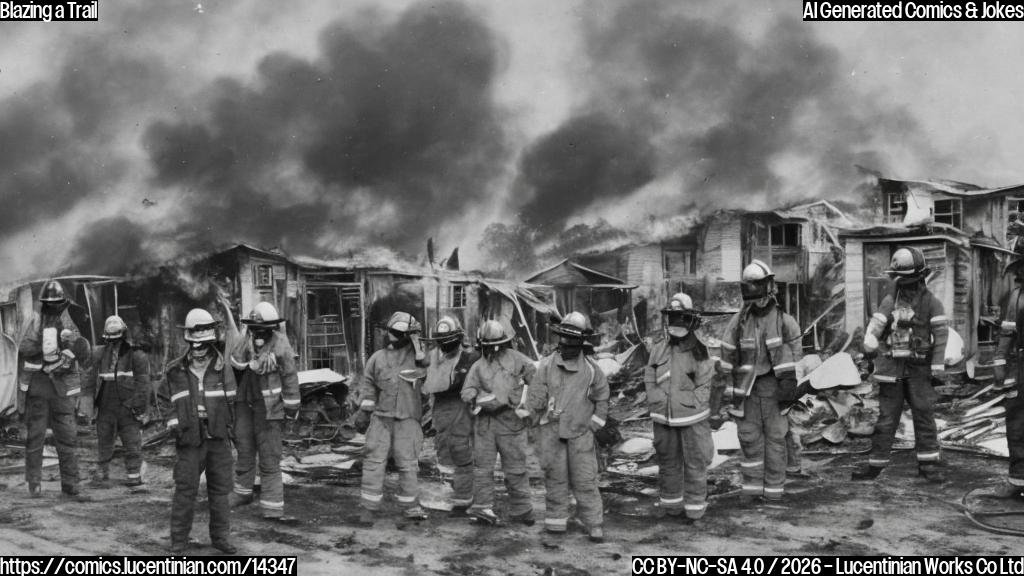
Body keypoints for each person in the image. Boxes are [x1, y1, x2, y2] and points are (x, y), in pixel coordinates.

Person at [853, 247, 948, 483]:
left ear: (920, 278)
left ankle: (928, 466)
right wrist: (870, 343)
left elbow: (941, 336)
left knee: (923, 415)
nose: (907, 286)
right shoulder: (889, 302)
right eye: (902, 281)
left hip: (919, 370)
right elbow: (875, 329)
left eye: (910, 281)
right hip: (892, 370)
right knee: (887, 418)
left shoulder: (932, 303)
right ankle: (875, 466)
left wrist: (937, 367)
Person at [719, 261, 804, 502]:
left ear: (769, 287)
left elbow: (797, 356)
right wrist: (725, 393)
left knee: (776, 439)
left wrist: (791, 386)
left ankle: (774, 491)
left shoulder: (784, 321)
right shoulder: (738, 322)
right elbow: (726, 356)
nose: (757, 301)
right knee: (749, 439)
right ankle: (752, 489)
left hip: (775, 389)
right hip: (746, 392)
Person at [528, 312, 609, 541]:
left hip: (580, 433)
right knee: (555, 478)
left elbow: (602, 397)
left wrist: (595, 424)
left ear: (581, 340)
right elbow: (535, 397)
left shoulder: (592, 369)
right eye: (564, 338)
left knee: (585, 480)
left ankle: (593, 523)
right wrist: (535, 421)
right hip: (552, 432)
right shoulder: (546, 366)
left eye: (573, 339)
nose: (567, 343)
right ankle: (556, 521)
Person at [166, 308, 237, 554]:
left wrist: (232, 431)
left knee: (220, 492)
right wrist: (174, 423)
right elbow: (164, 400)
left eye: (202, 345)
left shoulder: (223, 368)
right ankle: (178, 540)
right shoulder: (175, 370)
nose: (197, 350)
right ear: (188, 341)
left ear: (210, 343)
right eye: (194, 345)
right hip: (189, 439)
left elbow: (233, 402)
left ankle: (220, 538)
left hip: (218, 438)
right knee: (185, 490)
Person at [644, 293, 720, 522]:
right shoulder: (659, 348)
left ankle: (695, 509)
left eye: (680, 317)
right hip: (663, 418)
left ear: (690, 320)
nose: (675, 323)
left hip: (692, 420)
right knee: (668, 462)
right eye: (672, 317)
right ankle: (671, 507)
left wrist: (691, 406)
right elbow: (650, 376)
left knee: (695, 462)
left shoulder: (701, 350)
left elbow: (706, 385)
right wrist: (656, 399)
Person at [17, 280, 92, 499]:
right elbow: (23, 347)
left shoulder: (70, 320)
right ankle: (34, 483)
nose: (53, 307)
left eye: (56, 303)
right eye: (50, 303)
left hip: (62, 389)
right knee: (35, 437)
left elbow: (83, 350)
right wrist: (41, 344)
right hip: (39, 386)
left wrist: (67, 343)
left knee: (67, 438)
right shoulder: (35, 321)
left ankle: (70, 485)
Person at [227, 302, 301, 521]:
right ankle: (242, 492)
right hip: (245, 404)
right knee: (244, 449)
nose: (258, 333)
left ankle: (272, 505)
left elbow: (290, 378)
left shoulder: (281, 344)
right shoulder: (246, 341)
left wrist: (291, 410)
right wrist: (247, 342)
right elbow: (235, 362)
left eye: (262, 329)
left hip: (269, 409)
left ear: (272, 327)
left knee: (269, 455)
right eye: (254, 328)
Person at [356, 311, 429, 524]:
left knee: (408, 463)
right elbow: (368, 385)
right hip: (381, 418)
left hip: (408, 419)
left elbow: (429, 371)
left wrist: (417, 346)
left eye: (398, 333)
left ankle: (410, 506)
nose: (392, 336)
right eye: (392, 332)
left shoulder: (419, 359)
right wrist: (364, 412)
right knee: (373, 461)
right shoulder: (377, 358)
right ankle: (368, 508)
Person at [460, 319, 536, 525]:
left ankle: (522, 509)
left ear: (503, 342)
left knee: (516, 468)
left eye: (494, 346)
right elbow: (467, 390)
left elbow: (537, 382)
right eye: (486, 347)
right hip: (484, 424)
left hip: (511, 422)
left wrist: (526, 404)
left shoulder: (518, 360)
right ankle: (483, 508)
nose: (491, 351)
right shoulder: (478, 366)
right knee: (482, 468)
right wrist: (475, 396)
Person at [422, 316, 478, 516]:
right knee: (443, 450)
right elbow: (426, 381)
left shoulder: (471, 358)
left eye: (449, 340)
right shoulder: (433, 357)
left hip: (461, 407)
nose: (445, 344)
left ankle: (464, 498)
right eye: (442, 340)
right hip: (440, 409)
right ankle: (451, 491)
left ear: (459, 337)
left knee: (460, 450)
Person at [88, 315, 150, 488]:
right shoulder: (100, 354)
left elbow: (143, 384)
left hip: (127, 405)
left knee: (131, 442)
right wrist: (90, 406)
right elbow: (91, 379)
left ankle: (134, 475)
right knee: (104, 440)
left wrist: (137, 407)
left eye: (116, 338)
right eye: (110, 339)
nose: (113, 342)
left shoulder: (136, 355)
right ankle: (102, 472)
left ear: (123, 335)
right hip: (105, 405)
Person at [989, 253, 1024, 499]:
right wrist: (1000, 361)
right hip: (1021, 368)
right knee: (1017, 423)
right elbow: (1007, 333)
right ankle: (1018, 480)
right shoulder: (1017, 297)